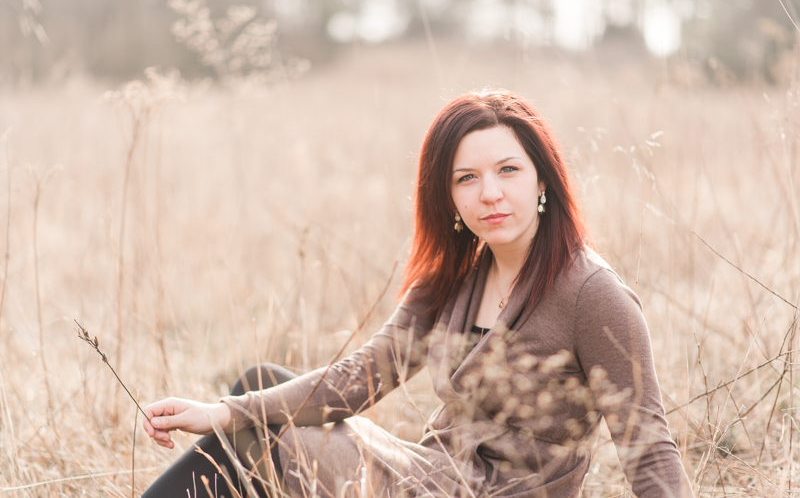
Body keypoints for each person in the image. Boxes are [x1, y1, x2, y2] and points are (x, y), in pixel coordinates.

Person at [142, 90, 695, 497]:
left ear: (542, 179)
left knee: (258, 433)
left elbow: (649, 446)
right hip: (430, 476)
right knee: (255, 392)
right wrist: (220, 412)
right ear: (448, 195)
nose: (491, 194)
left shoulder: (592, 294)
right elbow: (356, 380)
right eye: (467, 178)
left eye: (508, 170)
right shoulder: (452, 279)